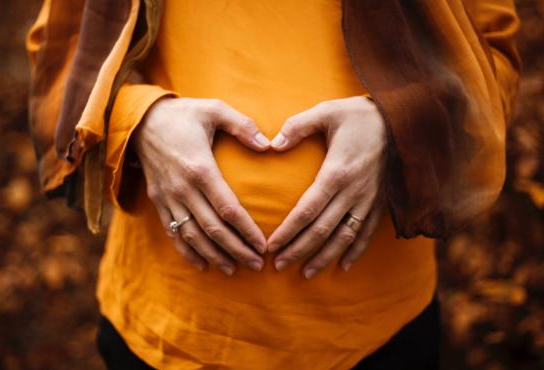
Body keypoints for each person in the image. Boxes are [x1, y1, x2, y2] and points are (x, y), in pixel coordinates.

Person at [26, 0, 520, 369]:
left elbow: (491, 60)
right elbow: (61, 57)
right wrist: (138, 123)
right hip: (167, 333)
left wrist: (398, 126)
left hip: (376, 335)